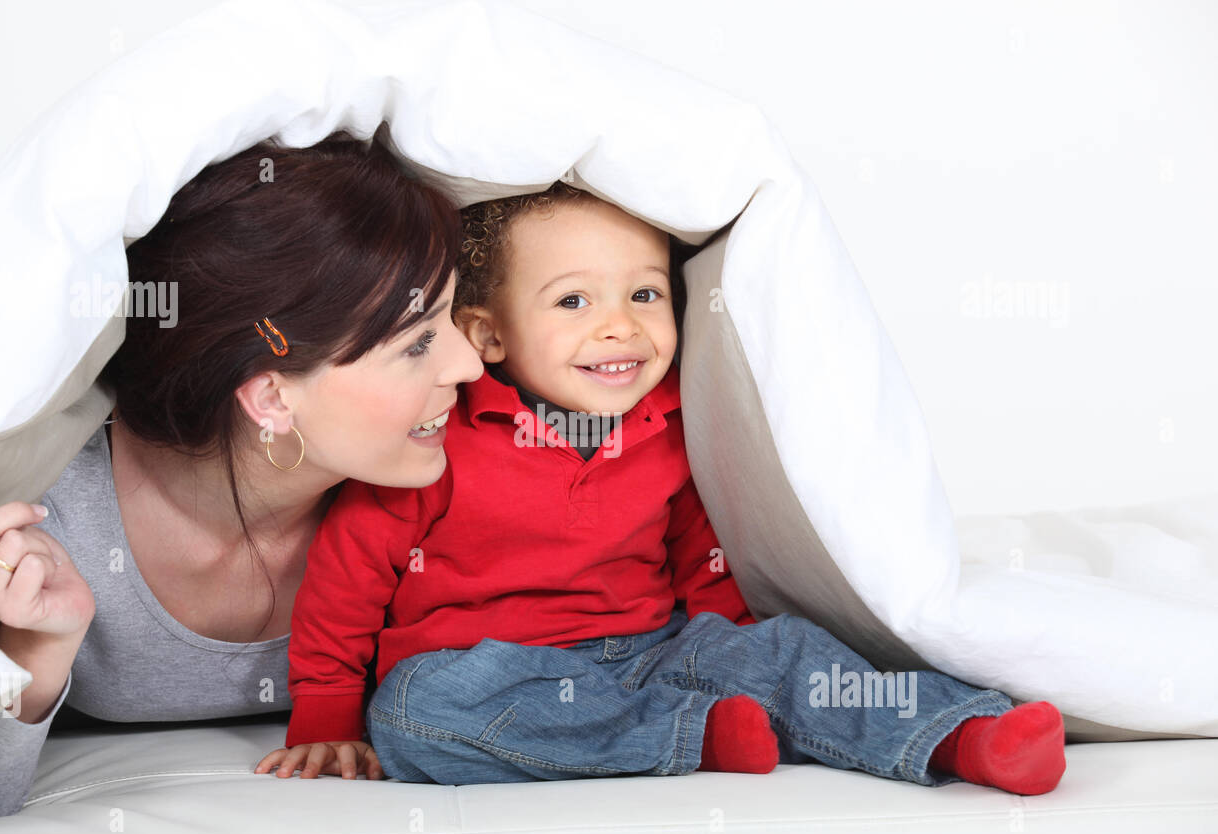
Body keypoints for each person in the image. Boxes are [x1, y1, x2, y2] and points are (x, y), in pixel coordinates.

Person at [262, 182, 1067, 795]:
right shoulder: (440, 441)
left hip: (650, 649)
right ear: (489, 333)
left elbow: (700, 554)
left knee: (783, 652)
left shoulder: (674, 421)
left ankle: (966, 736)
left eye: (644, 294)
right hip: (487, 668)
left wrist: (732, 654)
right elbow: (347, 581)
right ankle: (694, 737)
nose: (620, 326)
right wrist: (327, 713)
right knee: (413, 716)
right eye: (573, 301)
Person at [0, 131, 483, 826]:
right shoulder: (50, 522)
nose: (471, 366)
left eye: (453, 316)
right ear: (272, 400)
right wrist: (39, 649)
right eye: (419, 340)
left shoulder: (471, 478)